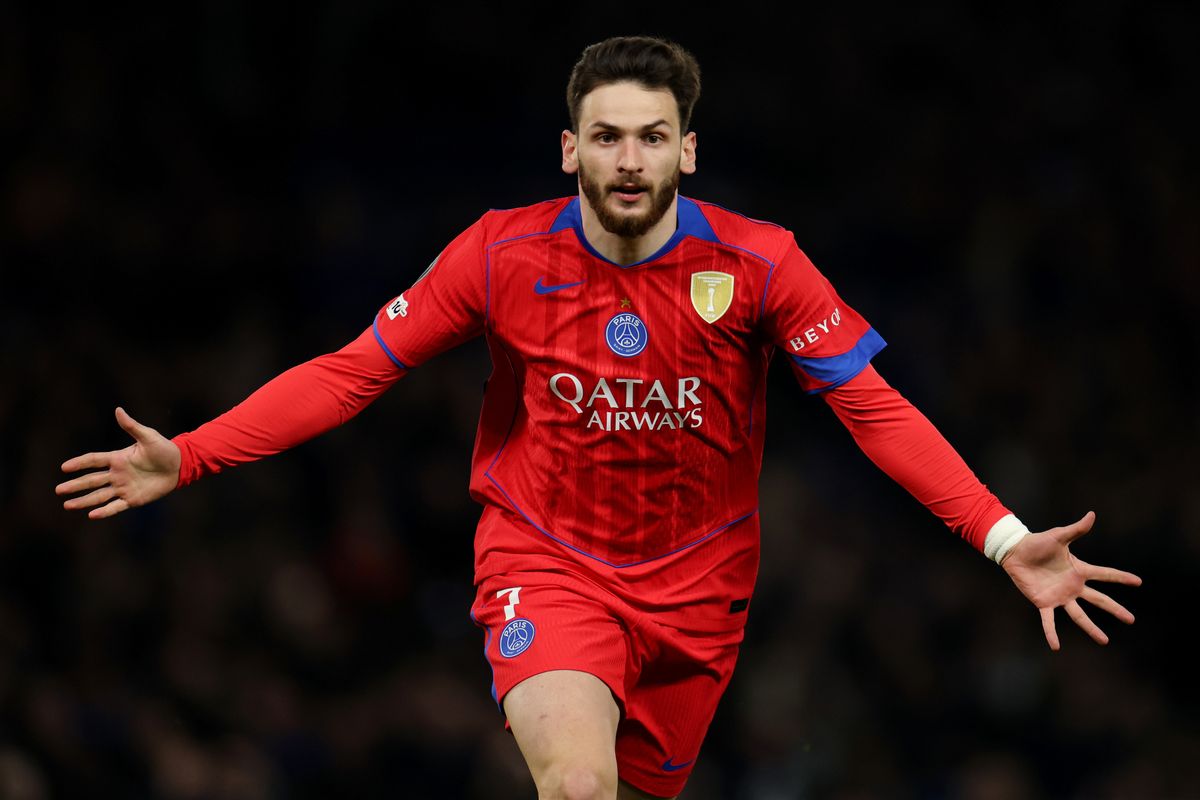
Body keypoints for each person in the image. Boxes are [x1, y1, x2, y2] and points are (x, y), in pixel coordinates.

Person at [56, 36, 1141, 800]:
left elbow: (872, 409)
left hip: (701, 586)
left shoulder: (761, 264)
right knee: (577, 785)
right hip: (547, 557)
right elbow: (352, 372)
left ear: (688, 151)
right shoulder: (500, 253)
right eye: (607, 136)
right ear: (569, 149)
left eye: (653, 137)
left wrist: (1004, 538)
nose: (630, 160)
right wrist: (191, 454)